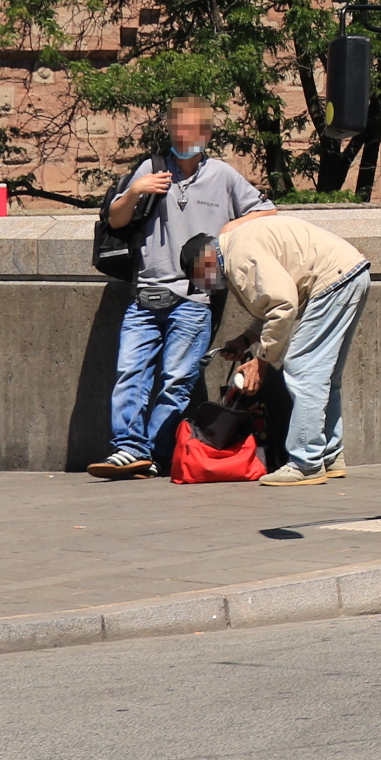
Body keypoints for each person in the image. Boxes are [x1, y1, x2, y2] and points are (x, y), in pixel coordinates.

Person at [86, 99, 270, 479]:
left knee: (176, 381)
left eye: (192, 130)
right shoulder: (151, 169)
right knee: (130, 372)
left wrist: (227, 232)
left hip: (196, 296)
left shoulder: (222, 175)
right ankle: (128, 448)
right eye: (177, 129)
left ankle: (156, 453)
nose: (184, 136)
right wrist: (135, 191)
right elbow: (115, 221)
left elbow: (267, 212)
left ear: (206, 133)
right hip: (146, 293)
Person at [181, 210, 372, 486]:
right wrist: (246, 339)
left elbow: (283, 305)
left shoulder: (238, 257)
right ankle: (330, 455)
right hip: (350, 274)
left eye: (199, 278)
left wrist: (262, 361)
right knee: (325, 376)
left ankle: (306, 463)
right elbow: (273, 304)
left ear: (205, 261)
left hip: (333, 280)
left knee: (303, 371)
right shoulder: (238, 246)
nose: (205, 287)